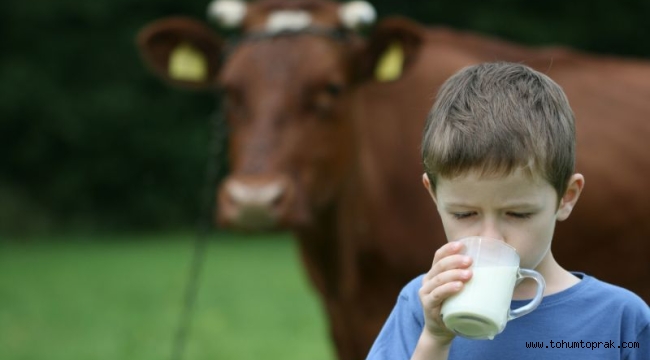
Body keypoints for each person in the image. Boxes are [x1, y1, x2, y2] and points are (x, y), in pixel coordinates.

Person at [366, 62, 650, 360]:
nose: (492, 237)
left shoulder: (620, 321)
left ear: (566, 197)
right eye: (464, 214)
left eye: (518, 214)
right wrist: (435, 340)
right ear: (435, 196)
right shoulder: (422, 306)